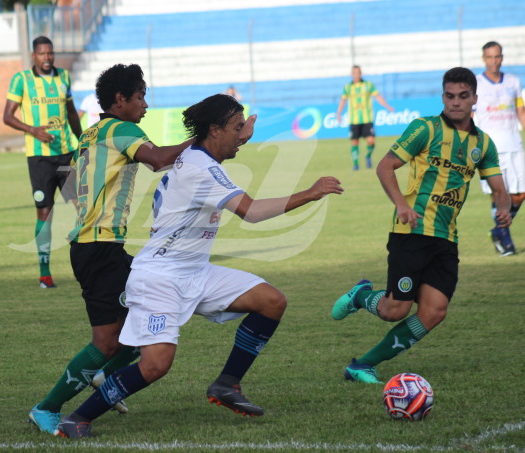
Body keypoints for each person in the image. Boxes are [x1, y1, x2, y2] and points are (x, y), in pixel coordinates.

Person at [54, 93, 344, 439]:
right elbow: (250, 212)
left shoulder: (198, 157)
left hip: (194, 270)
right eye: (236, 128)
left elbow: (220, 150)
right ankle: (78, 418)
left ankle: (227, 383)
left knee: (271, 301)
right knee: (155, 366)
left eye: (242, 128)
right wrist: (309, 193)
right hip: (160, 277)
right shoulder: (199, 167)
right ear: (214, 129)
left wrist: (240, 136)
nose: (241, 134)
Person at [26, 63, 194, 435]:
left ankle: (105, 380)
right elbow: (159, 159)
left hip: (98, 246)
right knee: (108, 341)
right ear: (120, 100)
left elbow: (67, 178)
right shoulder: (123, 129)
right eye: (140, 97)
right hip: (99, 248)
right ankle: (48, 407)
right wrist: (203, 140)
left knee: (149, 315)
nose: (145, 105)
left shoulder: (89, 134)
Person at [331, 68, 511, 384]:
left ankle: (362, 365)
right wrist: (401, 204)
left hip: (447, 239)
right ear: (443, 97)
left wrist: (504, 208)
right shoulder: (425, 129)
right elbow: (386, 166)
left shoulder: (482, 144)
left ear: (474, 99)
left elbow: (498, 187)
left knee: (434, 312)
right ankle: (361, 296)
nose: (456, 103)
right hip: (411, 232)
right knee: (394, 310)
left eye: (463, 96)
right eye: (450, 96)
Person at [3, 36, 83, 289]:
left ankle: (88, 263)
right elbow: (7, 116)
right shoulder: (21, 80)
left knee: (83, 207)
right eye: (42, 54)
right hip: (39, 157)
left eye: (50, 53)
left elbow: (71, 113)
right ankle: (45, 274)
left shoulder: (64, 77)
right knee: (45, 213)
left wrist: (83, 142)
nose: (47, 58)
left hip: (66, 153)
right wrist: (32, 130)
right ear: (33, 55)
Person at [474, 41, 525, 256]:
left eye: (497, 57)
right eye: (489, 57)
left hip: (514, 143)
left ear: (501, 57)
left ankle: (498, 230)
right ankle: (505, 240)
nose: (493, 61)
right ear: (484, 58)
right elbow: (469, 115)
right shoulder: (476, 83)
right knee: (498, 194)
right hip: (490, 148)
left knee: (520, 193)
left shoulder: (513, 82)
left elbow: (520, 111)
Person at [336, 65, 394, 170]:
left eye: (358, 72)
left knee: (371, 141)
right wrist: (338, 113)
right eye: (354, 72)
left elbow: (377, 96)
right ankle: (356, 164)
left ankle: (368, 156)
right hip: (354, 120)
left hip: (367, 119)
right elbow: (343, 100)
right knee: (354, 142)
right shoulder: (348, 87)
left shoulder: (368, 85)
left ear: (361, 73)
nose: (356, 74)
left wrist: (387, 106)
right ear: (352, 74)